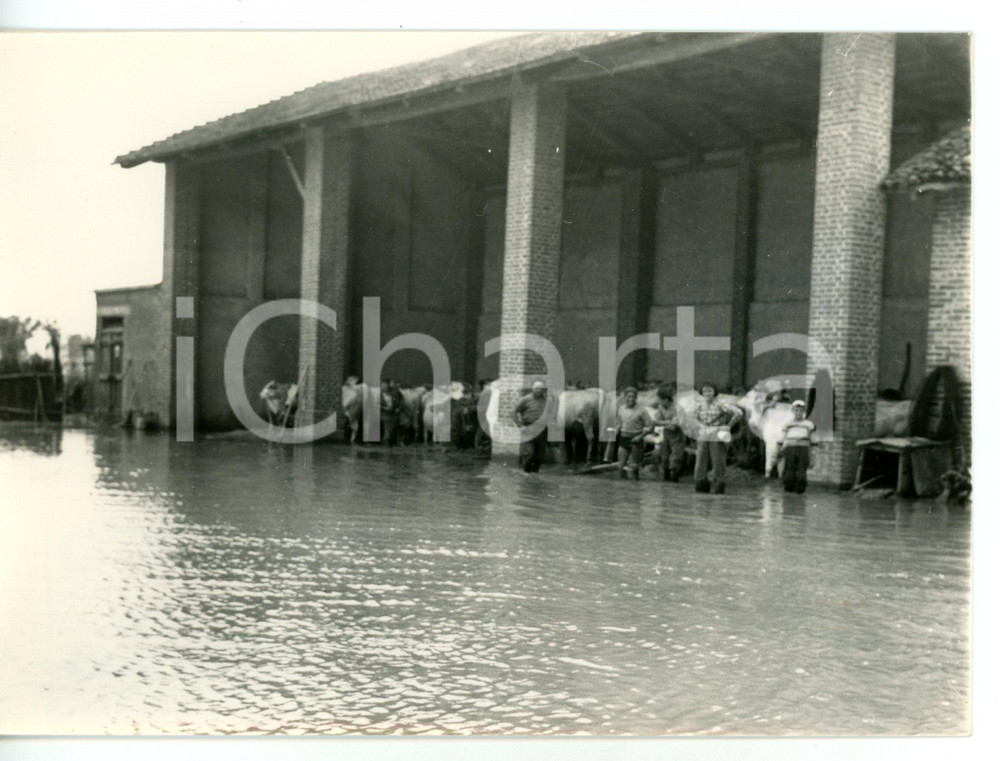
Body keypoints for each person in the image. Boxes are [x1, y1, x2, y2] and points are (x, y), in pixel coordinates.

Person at [692, 382, 742, 494]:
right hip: (703, 433)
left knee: (718, 460)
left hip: (717, 433)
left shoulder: (721, 403)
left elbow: (738, 413)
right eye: (705, 391)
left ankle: (718, 484)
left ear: (714, 392)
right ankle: (701, 483)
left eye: (710, 391)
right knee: (701, 459)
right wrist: (701, 426)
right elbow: (694, 418)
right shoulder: (699, 405)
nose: (707, 393)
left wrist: (728, 426)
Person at [513, 380, 552, 473]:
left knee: (540, 454)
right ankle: (526, 473)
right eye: (537, 388)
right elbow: (513, 412)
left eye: (541, 389)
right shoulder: (525, 399)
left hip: (542, 428)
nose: (539, 390)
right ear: (533, 389)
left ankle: (534, 474)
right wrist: (520, 425)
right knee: (529, 453)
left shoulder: (546, 400)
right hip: (529, 426)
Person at [616, 387, 653, 480]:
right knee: (620, 466)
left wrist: (640, 437)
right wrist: (616, 430)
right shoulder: (621, 409)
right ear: (625, 398)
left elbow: (649, 426)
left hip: (636, 439)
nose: (631, 399)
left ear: (636, 398)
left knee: (634, 467)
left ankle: (635, 485)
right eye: (629, 397)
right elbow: (619, 423)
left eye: (633, 397)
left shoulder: (641, 410)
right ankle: (622, 486)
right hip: (624, 438)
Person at [778, 400, 815, 493]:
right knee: (789, 472)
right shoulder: (787, 424)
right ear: (793, 411)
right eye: (796, 410)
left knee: (801, 474)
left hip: (803, 449)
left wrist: (813, 456)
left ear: (803, 411)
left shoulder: (809, 425)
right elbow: (781, 439)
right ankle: (788, 492)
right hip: (790, 448)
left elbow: (813, 440)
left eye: (800, 410)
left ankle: (800, 492)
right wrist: (780, 449)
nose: (798, 412)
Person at [651, 385, 686, 482]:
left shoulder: (678, 408)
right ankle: (666, 474)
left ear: (666, 399)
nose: (659, 402)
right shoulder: (661, 407)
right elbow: (656, 421)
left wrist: (661, 423)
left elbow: (674, 425)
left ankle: (675, 475)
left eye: (660, 399)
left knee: (676, 456)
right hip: (666, 433)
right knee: (664, 456)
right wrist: (666, 423)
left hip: (678, 434)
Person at [379, 379, 403, 447]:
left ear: (389, 385)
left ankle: (389, 443)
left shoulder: (396, 393)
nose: (384, 386)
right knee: (388, 430)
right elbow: (376, 404)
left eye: (386, 384)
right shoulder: (379, 394)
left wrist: (399, 409)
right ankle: (387, 443)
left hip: (394, 414)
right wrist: (384, 408)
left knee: (391, 430)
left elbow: (401, 402)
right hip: (384, 414)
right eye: (383, 385)